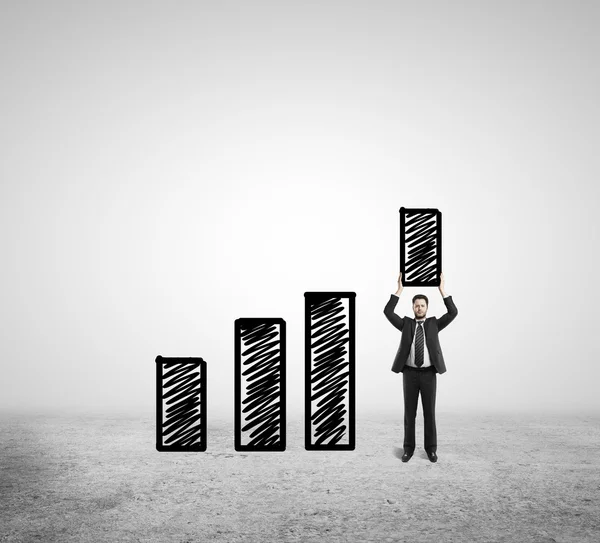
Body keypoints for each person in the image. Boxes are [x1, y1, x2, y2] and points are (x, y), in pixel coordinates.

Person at [383, 272, 458, 463]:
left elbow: (453, 313)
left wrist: (442, 290)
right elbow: (388, 312)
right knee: (410, 413)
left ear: (426, 307)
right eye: (416, 305)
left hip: (429, 374)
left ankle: (431, 450)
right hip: (409, 373)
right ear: (413, 307)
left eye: (422, 305)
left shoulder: (434, 324)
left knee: (429, 413)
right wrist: (399, 290)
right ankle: (408, 449)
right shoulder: (406, 324)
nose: (419, 308)